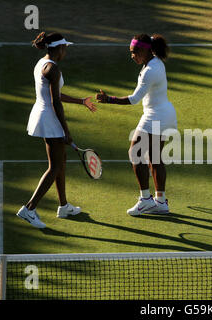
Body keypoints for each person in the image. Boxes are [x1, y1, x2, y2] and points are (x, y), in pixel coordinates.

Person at [16, 32, 97, 228]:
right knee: (54, 166)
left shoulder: (42, 63)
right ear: (59, 48)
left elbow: (54, 94)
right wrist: (66, 131)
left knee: (61, 162)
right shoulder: (54, 69)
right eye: (65, 48)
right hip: (50, 119)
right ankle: (29, 208)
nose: (66, 51)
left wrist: (80, 101)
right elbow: (56, 102)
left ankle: (63, 206)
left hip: (43, 115)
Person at [96, 33, 177, 216]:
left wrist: (109, 99)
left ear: (144, 50)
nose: (131, 55)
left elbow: (133, 100)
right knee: (155, 158)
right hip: (163, 114)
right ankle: (161, 201)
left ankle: (146, 199)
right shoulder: (154, 62)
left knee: (135, 153)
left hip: (155, 116)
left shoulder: (150, 70)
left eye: (134, 52)